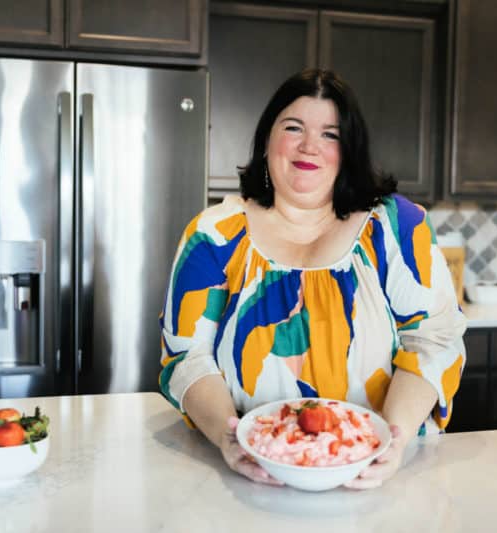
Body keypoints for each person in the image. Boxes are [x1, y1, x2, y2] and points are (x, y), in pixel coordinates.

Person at [159, 69, 467, 489]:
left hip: (384, 481)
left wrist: (389, 443)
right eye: (293, 127)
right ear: (268, 138)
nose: (309, 146)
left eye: (330, 134)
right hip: (250, 477)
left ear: (350, 149)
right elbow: (186, 357)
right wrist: (229, 440)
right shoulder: (214, 234)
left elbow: (433, 340)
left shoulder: (396, 227)